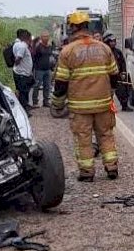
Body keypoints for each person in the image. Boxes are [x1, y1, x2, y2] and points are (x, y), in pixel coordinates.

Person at [50, 11, 120, 182]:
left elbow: (61, 83)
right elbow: (114, 75)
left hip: (80, 107)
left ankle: (87, 172)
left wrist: (57, 104)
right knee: (106, 134)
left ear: (72, 27)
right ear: (87, 26)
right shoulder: (104, 48)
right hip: (103, 103)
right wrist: (110, 94)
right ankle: (111, 168)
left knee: (83, 138)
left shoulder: (67, 51)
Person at [103, 31, 132, 112]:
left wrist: (123, 73)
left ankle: (125, 106)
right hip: (108, 76)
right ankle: (109, 108)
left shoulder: (118, 52)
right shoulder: (104, 52)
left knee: (122, 91)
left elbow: (122, 63)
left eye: (114, 41)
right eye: (111, 41)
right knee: (108, 94)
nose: (113, 43)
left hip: (117, 75)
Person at [13, 28, 35, 115]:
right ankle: (24, 111)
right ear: (24, 36)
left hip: (23, 73)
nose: (29, 39)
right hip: (21, 73)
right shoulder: (22, 45)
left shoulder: (18, 44)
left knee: (24, 91)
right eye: (28, 37)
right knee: (23, 92)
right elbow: (18, 58)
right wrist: (17, 65)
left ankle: (25, 107)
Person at [32, 30, 55, 107]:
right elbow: (33, 55)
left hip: (47, 69)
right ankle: (35, 101)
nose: (46, 38)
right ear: (41, 37)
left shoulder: (49, 46)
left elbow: (51, 56)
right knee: (37, 86)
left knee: (47, 86)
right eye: (44, 36)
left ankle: (46, 101)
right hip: (39, 69)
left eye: (47, 36)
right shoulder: (38, 46)